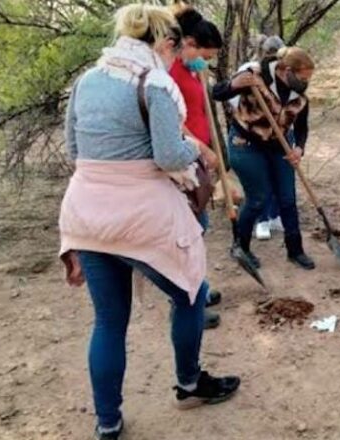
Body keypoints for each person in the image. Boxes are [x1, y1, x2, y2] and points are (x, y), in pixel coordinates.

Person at [59, 5, 240, 439]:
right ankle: (190, 382)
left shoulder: (86, 80)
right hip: (141, 214)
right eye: (175, 48)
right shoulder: (153, 82)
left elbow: (71, 147)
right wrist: (197, 151)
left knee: (108, 322)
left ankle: (108, 422)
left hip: (86, 213)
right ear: (166, 42)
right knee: (191, 295)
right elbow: (168, 156)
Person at [211, 46, 316, 270]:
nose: (305, 82)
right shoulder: (254, 76)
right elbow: (217, 93)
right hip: (245, 144)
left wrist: (299, 149)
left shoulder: (300, 98)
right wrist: (234, 85)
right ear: (286, 70)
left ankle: (295, 250)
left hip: (279, 146)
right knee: (258, 197)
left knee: (287, 198)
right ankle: (241, 246)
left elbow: (301, 128)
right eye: (302, 77)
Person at [168, 3, 224, 330]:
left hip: (198, 157)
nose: (209, 60)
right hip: (186, 158)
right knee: (190, 232)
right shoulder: (171, 72)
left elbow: (201, 111)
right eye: (206, 53)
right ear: (188, 43)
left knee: (199, 228)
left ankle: (199, 290)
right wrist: (202, 147)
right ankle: (189, 303)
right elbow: (175, 121)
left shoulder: (191, 69)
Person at [250, 35, 286, 241]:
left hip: (279, 132)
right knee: (262, 179)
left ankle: (274, 216)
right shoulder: (253, 72)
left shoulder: (285, 72)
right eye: (271, 55)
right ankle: (262, 221)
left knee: (277, 177)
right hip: (258, 134)